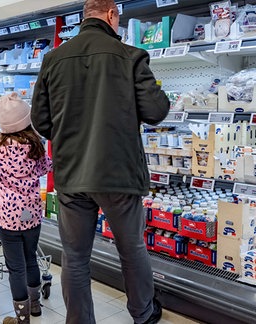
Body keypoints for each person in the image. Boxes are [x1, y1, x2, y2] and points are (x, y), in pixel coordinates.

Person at [31, 0, 170, 323]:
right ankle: (143, 313)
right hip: (120, 173)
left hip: (72, 173)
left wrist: (68, 138)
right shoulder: (131, 56)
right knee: (131, 249)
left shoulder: (54, 58)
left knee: (75, 257)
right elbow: (155, 111)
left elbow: (40, 119)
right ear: (111, 15)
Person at [0, 92, 52, 324]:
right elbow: (45, 168)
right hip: (32, 213)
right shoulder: (36, 143)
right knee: (31, 260)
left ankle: (21, 317)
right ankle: (35, 306)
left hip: (7, 216)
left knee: (16, 267)